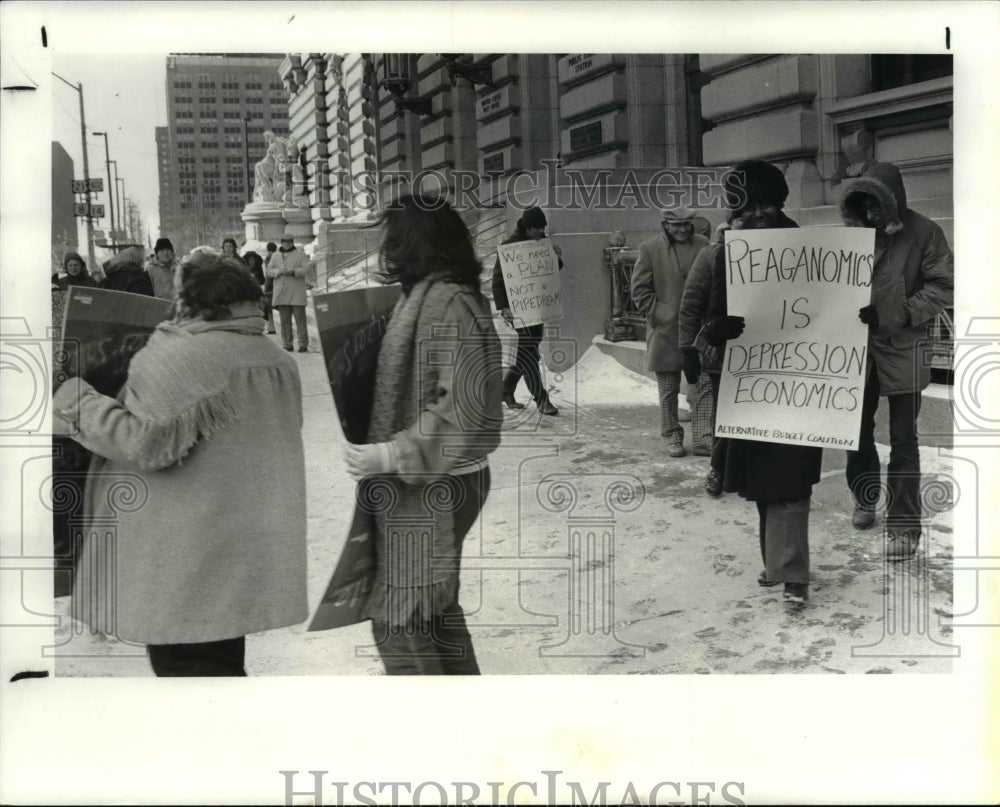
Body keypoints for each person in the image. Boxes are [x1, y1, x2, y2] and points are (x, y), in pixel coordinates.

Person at [51, 248, 308, 676]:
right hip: (238, 545)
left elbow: (142, 443)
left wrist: (74, 398)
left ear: (190, 300)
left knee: (185, 674)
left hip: (184, 557)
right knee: (222, 666)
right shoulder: (275, 357)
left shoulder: (181, 354)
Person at [344, 191, 503, 674]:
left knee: (401, 616)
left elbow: (460, 403)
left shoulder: (447, 301)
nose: (386, 250)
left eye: (393, 238)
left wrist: (392, 456)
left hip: (443, 481)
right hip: (445, 478)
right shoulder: (432, 295)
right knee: (432, 610)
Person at [703, 159, 822, 605]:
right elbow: (715, 310)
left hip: (799, 379)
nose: (756, 214)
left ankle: (794, 575)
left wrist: (858, 318)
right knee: (761, 482)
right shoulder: (729, 251)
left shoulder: (808, 246)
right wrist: (719, 327)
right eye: (747, 206)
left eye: (765, 204)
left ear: (780, 204)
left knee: (791, 478)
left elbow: (833, 306)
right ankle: (778, 562)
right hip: (751, 382)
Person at [839, 162, 954, 560]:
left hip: (905, 348)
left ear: (891, 201)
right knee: (854, 430)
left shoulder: (925, 233)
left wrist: (899, 313)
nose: (870, 212)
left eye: (876, 204)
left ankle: (904, 526)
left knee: (904, 439)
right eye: (863, 203)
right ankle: (865, 496)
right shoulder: (851, 235)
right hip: (856, 349)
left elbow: (943, 284)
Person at [630, 207, 709, 458]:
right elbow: (640, 291)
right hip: (666, 331)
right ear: (665, 225)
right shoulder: (649, 248)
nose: (683, 229)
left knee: (704, 384)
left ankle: (703, 438)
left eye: (687, 224)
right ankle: (672, 435)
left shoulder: (704, 244)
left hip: (699, 330)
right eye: (677, 225)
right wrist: (660, 314)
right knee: (668, 388)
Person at [680, 220, 742, 494]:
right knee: (724, 413)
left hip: (765, 351)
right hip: (722, 348)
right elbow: (692, 303)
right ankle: (718, 468)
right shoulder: (711, 255)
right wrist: (688, 349)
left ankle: (742, 470)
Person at [490, 206, 562, 416]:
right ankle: (542, 400)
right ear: (527, 228)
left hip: (537, 308)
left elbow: (550, 271)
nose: (540, 232)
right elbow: (497, 281)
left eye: (542, 229)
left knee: (526, 351)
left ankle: (506, 389)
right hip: (518, 310)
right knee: (530, 354)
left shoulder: (541, 245)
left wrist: (556, 258)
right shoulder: (509, 248)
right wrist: (503, 307)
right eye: (537, 229)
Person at [266, 234, 309, 352]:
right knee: (284, 320)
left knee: (300, 319)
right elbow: (268, 271)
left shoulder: (300, 254)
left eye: (289, 241)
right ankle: (287, 343)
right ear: (281, 242)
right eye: (285, 241)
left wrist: (294, 272)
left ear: (293, 242)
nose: (287, 244)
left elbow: (306, 269)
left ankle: (303, 343)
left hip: (296, 291)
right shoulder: (275, 256)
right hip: (282, 291)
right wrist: (277, 272)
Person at [262, 242, 278, 334]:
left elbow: (268, 273)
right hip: (276, 284)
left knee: (269, 309)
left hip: (269, 285)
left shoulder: (268, 258)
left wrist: (267, 286)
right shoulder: (277, 257)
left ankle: (271, 328)